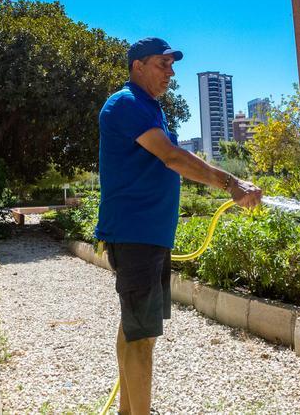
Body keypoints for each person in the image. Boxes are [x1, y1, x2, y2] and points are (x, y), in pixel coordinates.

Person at [95, 37, 263, 415]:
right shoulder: (127, 104)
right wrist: (231, 184)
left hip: (147, 236)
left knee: (135, 329)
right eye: (162, 64)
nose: (170, 72)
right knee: (142, 338)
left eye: (172, 66)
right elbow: (171, 156)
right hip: (136, 236)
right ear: (138, 65)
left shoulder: (149, 108)